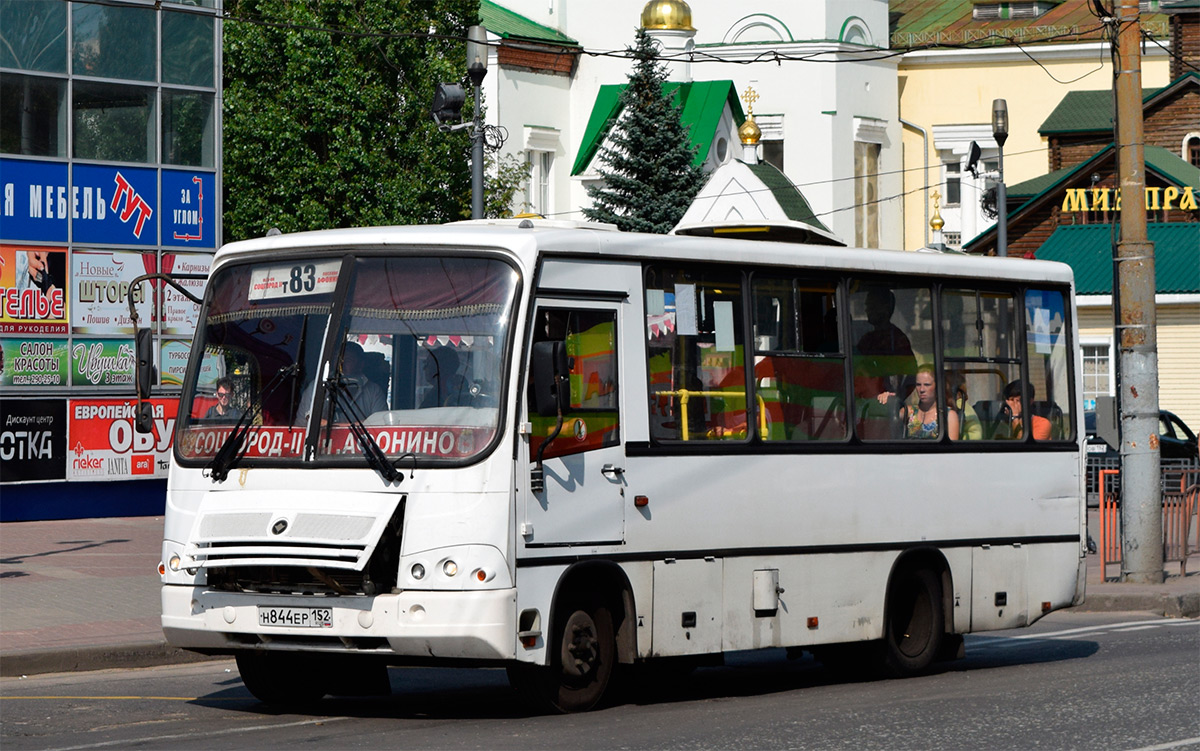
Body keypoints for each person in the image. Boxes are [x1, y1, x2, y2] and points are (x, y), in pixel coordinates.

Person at [899, 364, 959, 440]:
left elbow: (951, 450)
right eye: (918, 385)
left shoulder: (948, 416)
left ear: (938, 387)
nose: (921, 390)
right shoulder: (908, 412)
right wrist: (889, 399)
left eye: (927, 385)